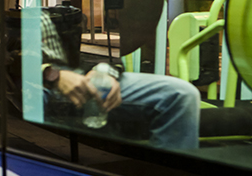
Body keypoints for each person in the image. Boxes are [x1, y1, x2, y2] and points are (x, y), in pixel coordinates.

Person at [40, 13, 200, 150]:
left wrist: (105, 72)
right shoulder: (19, 15)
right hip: (33, 84)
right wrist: (52, 75)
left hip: (77, 75)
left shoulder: (54, 15)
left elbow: (93, 51)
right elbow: (15, 59)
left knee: (181, 94)